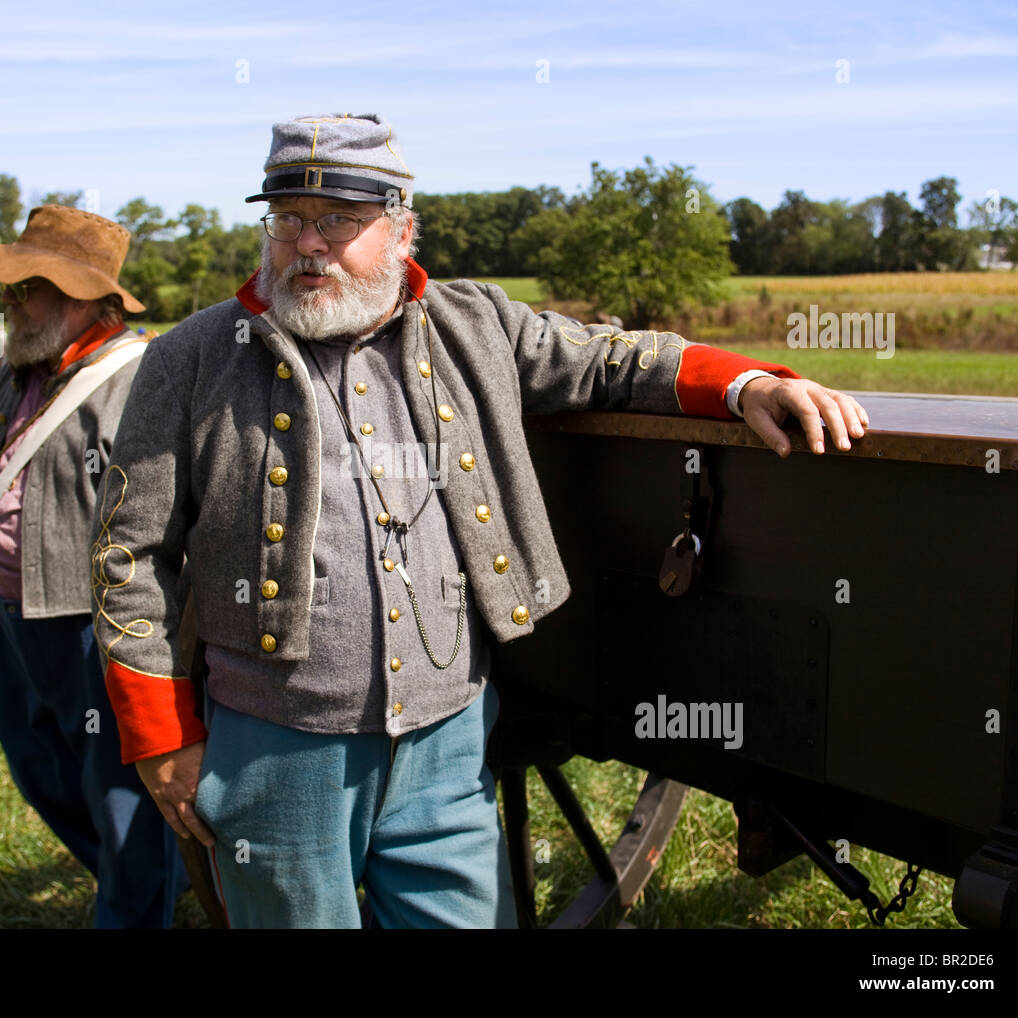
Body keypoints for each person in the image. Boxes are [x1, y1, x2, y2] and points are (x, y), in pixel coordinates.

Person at [91, 113, 870, 929]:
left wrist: (748, 385)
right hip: (277, 751)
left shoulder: (476, 325)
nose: (307, 245)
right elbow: (126, 556)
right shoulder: (190, 357)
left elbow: (610, 360)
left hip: (452, 742)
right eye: (286, 220)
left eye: (338, 222)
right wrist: (162, 736)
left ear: (400, 230)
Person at [0, 205, 188, 928]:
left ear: (85, 296)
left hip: (94, 617)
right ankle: (143, 884)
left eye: (29, 287)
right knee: (35, 761)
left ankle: (133, 906)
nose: (12, 301)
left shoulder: (136, 377)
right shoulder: (23, 364)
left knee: (119, 790)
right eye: (12, 286)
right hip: (10, 602)